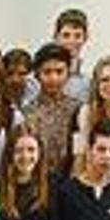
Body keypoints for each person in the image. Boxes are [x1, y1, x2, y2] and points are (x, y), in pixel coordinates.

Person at [24, 43, 83, 178]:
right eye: (47, 72)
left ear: (68, 73)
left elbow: (80, 151)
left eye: (59, 71)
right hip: (36, 180)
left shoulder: (78, 109)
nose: (53, 78)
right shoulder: (27, 113)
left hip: (70, 180)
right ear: (37, 74)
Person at [71, 54, 110, 174]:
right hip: (95, 177)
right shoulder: (86, 112)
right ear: (96, 84)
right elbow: (80, 154)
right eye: (105, 80)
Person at [22, 8, 91, 106]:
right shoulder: (32, 81)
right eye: (66, 35)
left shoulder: (88, 83)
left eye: (77, 36)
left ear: (85, 38)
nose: (71, 41)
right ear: (56, 36)